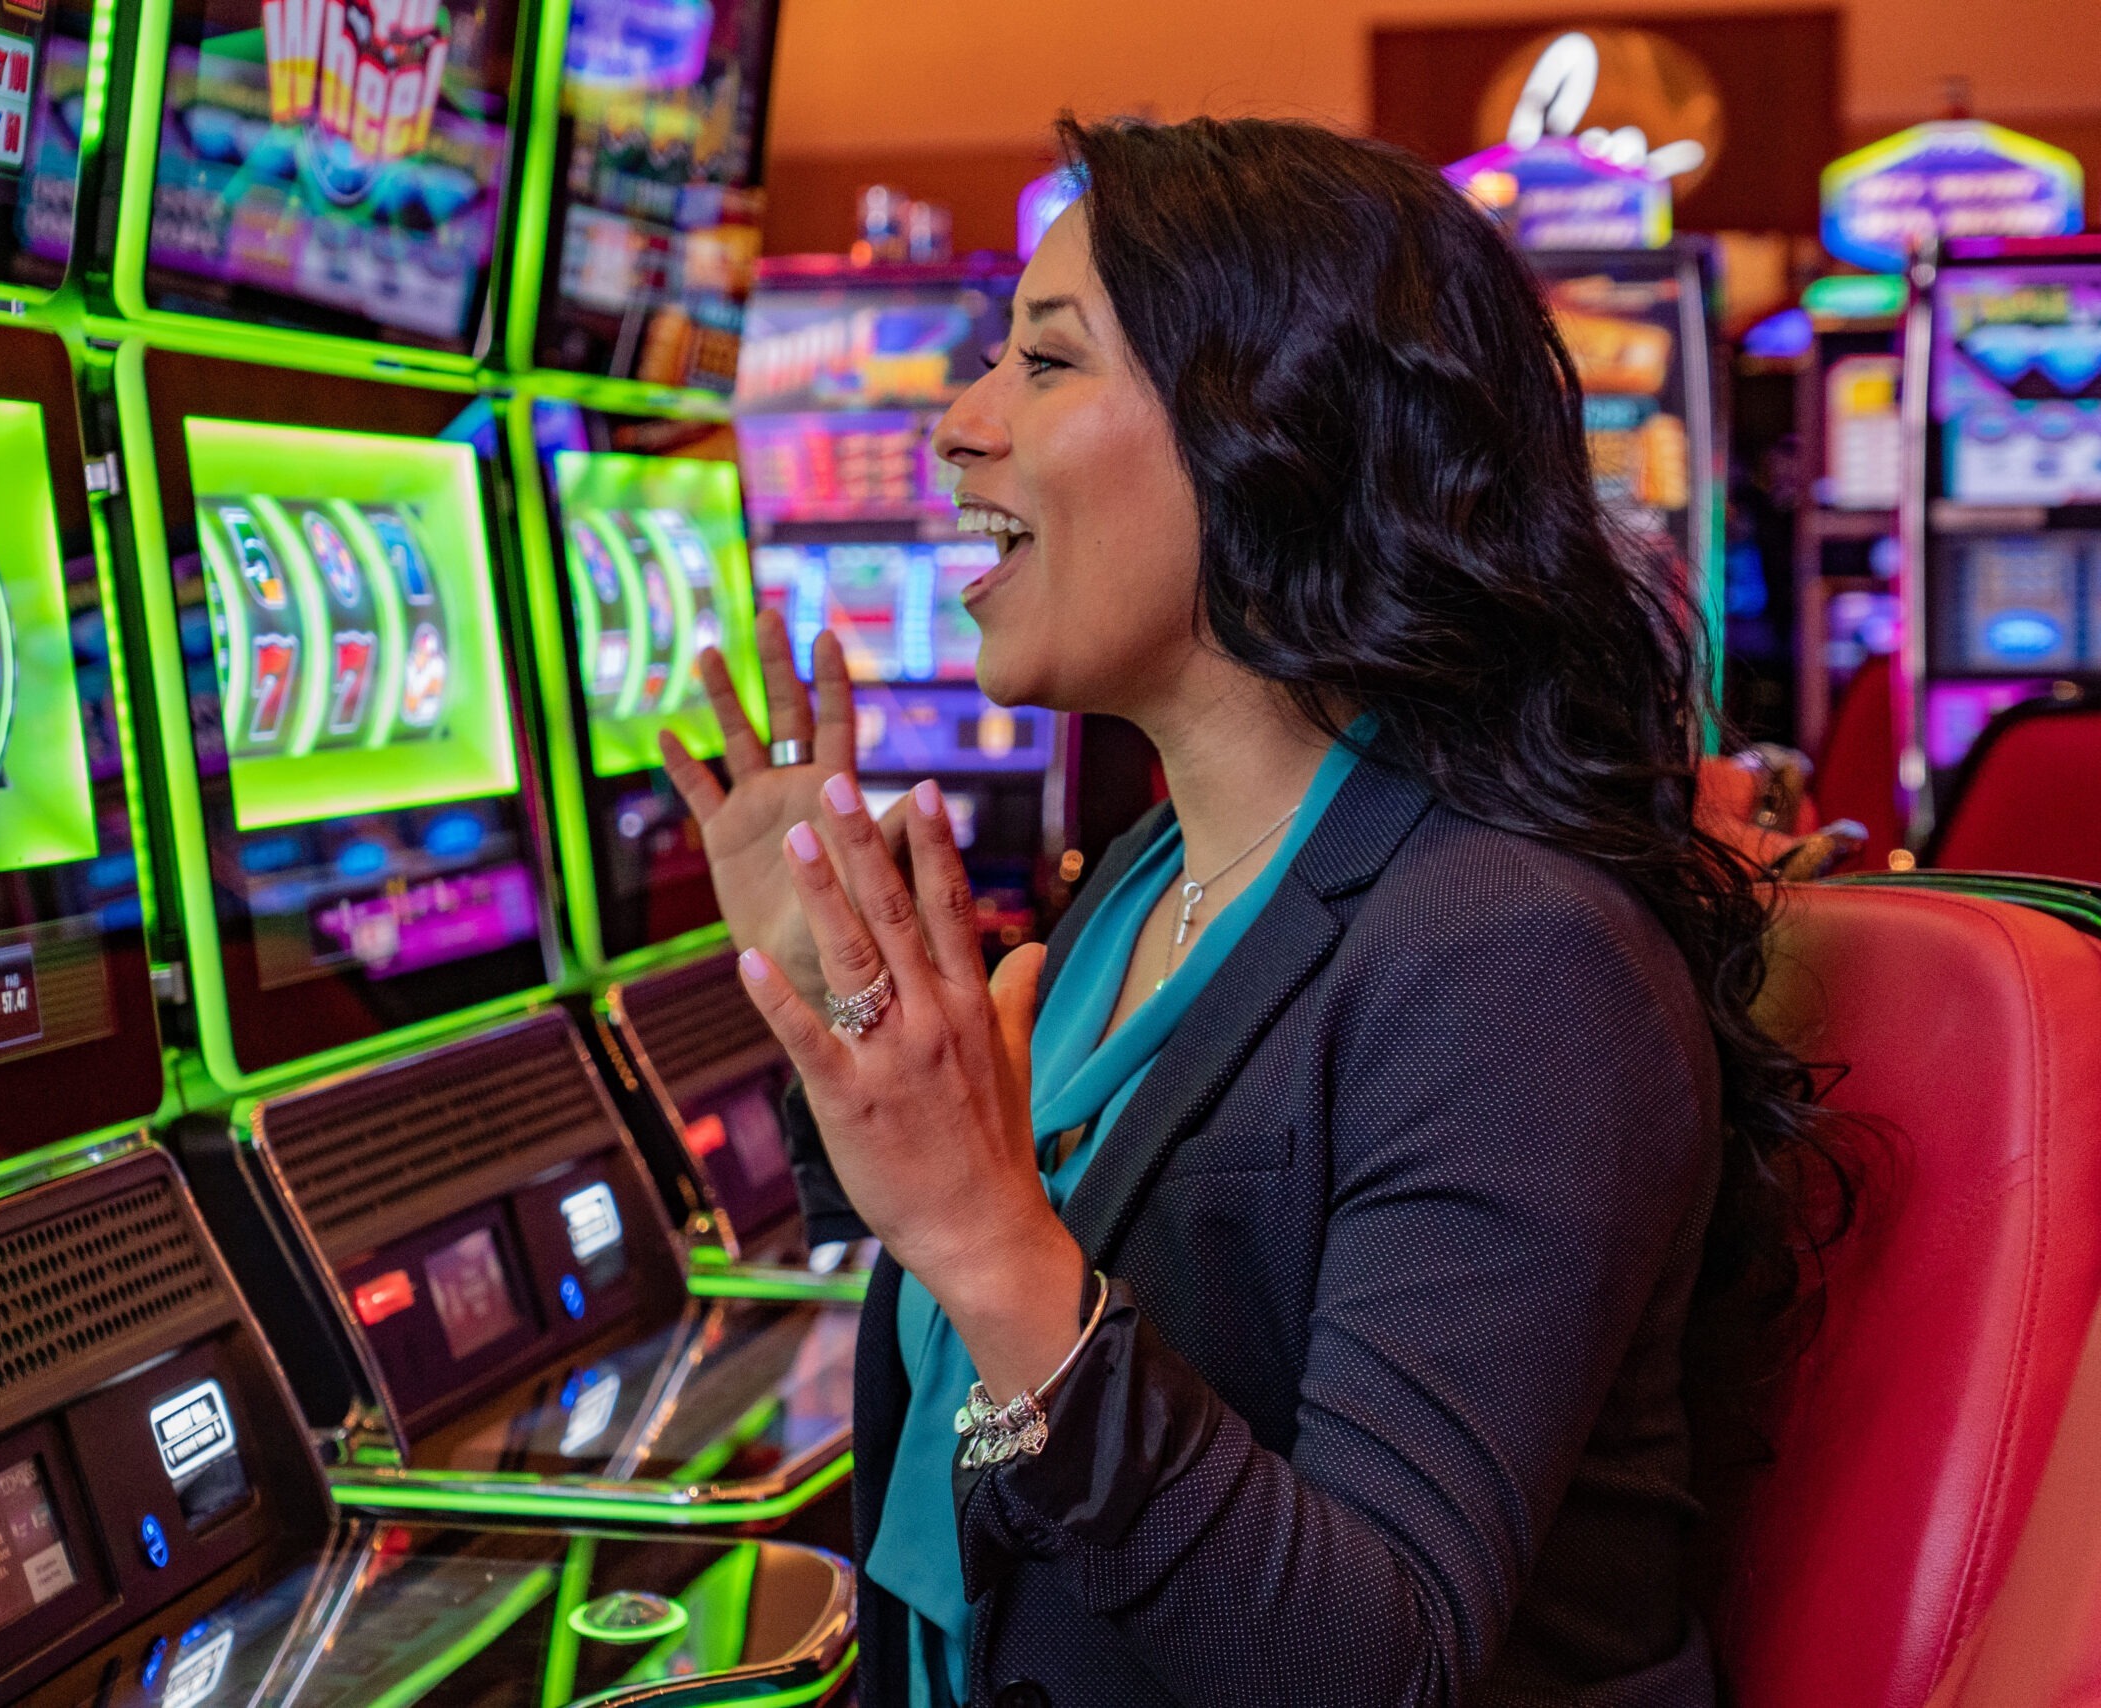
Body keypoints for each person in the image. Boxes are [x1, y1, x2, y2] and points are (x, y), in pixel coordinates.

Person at [661, 115, 1835, 1707]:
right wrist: (837, 1010)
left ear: (1271, 435)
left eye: (1047, 364)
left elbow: (1377, 1662)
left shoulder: (1516, 960)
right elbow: (979, 1316)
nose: (957, 424)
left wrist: (990, 1240)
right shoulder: (1152, 878)